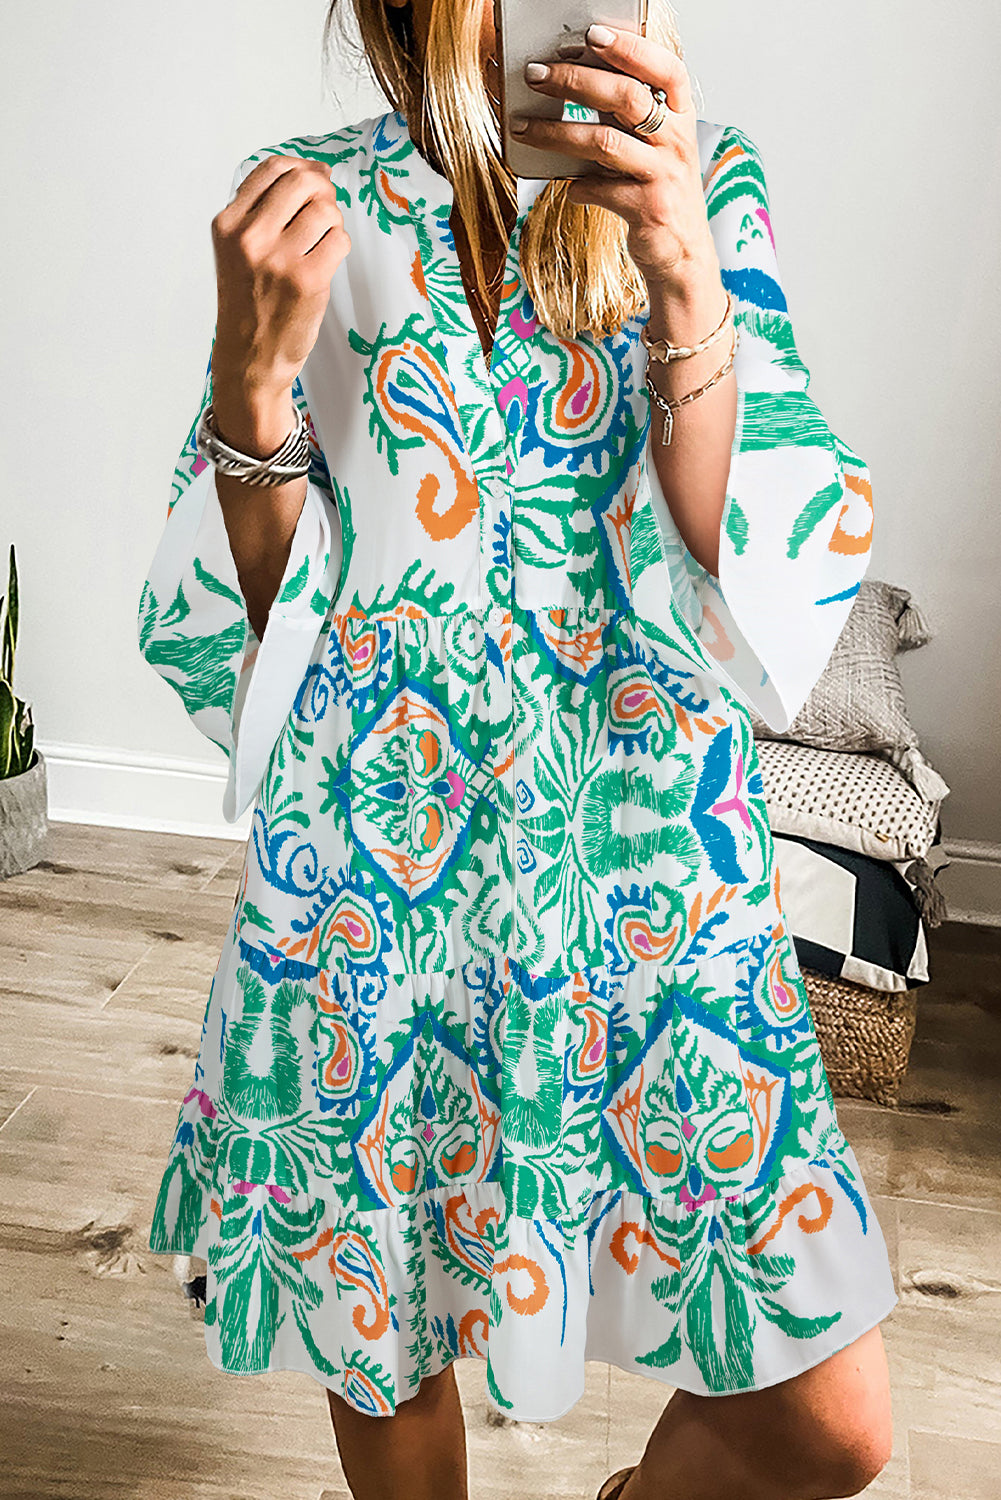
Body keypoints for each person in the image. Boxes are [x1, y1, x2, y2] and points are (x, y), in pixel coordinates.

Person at [138, 2, 896, 1497]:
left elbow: (758, 568)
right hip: (379, 870)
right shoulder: (306, 201)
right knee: (387, 1325)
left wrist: (684, 274)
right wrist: (248, 386)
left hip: (646, 860)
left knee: (830, 1424)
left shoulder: (704, 179)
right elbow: (256, 629)